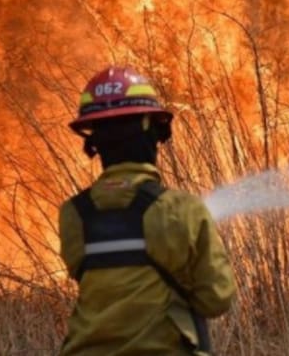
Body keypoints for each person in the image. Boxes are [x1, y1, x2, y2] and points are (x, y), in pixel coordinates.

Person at [58, 66, 236, 355]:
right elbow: (216, 299)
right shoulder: (181, 209)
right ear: (152, 130)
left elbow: (105, 284)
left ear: (94, 142)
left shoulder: (73, 215)